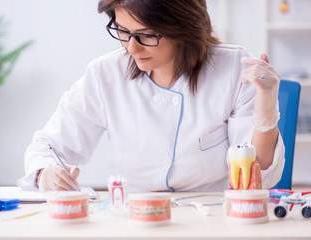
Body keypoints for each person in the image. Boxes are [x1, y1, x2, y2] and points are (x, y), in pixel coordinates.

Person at [17, 0, 285, 192]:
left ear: (184, 29)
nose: (131, 47)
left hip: (213, 213)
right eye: (122, 31)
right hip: (136, 213)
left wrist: (266, 109)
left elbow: (256, 175)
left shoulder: (232, 68)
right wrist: (45, 173)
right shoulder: (105, 74)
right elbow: (47, 145)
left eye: (146, 35)